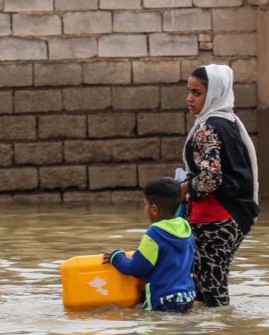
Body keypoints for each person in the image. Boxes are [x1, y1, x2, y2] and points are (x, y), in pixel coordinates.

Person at [180, 64, 259, 307]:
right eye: (189, 92)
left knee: (211, 287)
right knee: (208, 282)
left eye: (197, 93)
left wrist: (182, 190)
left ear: (213, 93)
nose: (189, 99)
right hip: (235, 213)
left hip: (216, 216)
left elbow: (211, 179)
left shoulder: (208, 128)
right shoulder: (229, 122)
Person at [104, 178, 196, 312]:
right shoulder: (186, 228)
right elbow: (191, 265)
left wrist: (116, 256)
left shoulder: (155, 233)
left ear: (154, 209)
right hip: (188, 297)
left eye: (145, 204)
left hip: (163, 302)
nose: (145, 208)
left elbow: (137, 268)